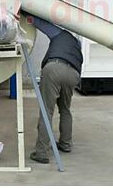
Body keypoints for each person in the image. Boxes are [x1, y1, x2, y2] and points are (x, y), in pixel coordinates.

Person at [29, 15, 83, 164]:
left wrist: (26, 15)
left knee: (47, 110)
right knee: (65, 109)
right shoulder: (77, 44)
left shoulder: (60, 34)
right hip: (73, 74)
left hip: (53, 68)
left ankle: (41, 152)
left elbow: (41, 23)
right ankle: (65, 144)